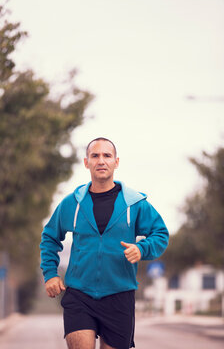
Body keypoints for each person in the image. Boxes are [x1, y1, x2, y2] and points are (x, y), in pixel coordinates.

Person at [40, 137, 169, 349]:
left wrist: (142, 248)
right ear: (86, 162)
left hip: (119, 296)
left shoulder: (134, 203)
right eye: (95, 156)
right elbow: (49, 237)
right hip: (79, 294)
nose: (101, 161)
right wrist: (50, 274)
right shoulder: (72, 203)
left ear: (116, 162)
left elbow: (160, 233)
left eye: (107, 156)